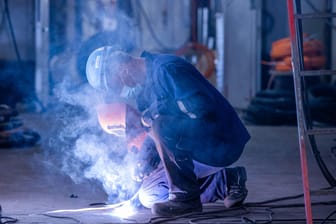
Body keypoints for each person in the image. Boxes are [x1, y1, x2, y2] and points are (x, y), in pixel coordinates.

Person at [85, 46, 251, 216]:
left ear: (122, 69)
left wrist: (156, 112)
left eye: (116, 85)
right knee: (150, 195)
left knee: (160, 124)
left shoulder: (167, 68)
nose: (120, 91)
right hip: (195, 141)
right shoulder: (144, 91)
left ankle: (186, 199)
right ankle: (226, 180)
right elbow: (154, 130)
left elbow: (201, 106)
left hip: (219, 141)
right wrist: (146, 158)